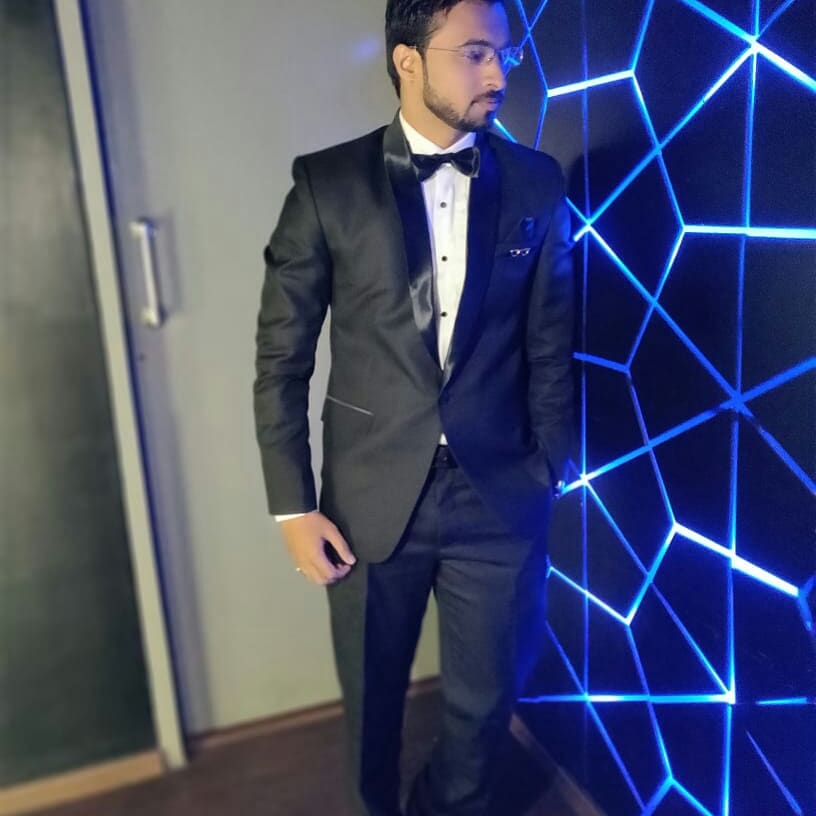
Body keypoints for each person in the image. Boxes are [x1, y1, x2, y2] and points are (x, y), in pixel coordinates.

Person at [253, 1, 575, 813]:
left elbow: (550, 343)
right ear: (407, 60)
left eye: (504, 54)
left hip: (500, 494)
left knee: (486, 706)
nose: (498, 74)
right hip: (367, 500)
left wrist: (548, 468)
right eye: (475, 53)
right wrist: (292, 506)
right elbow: (281, 360)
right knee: (372, 706)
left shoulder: (537, 182)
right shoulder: (327, 185)